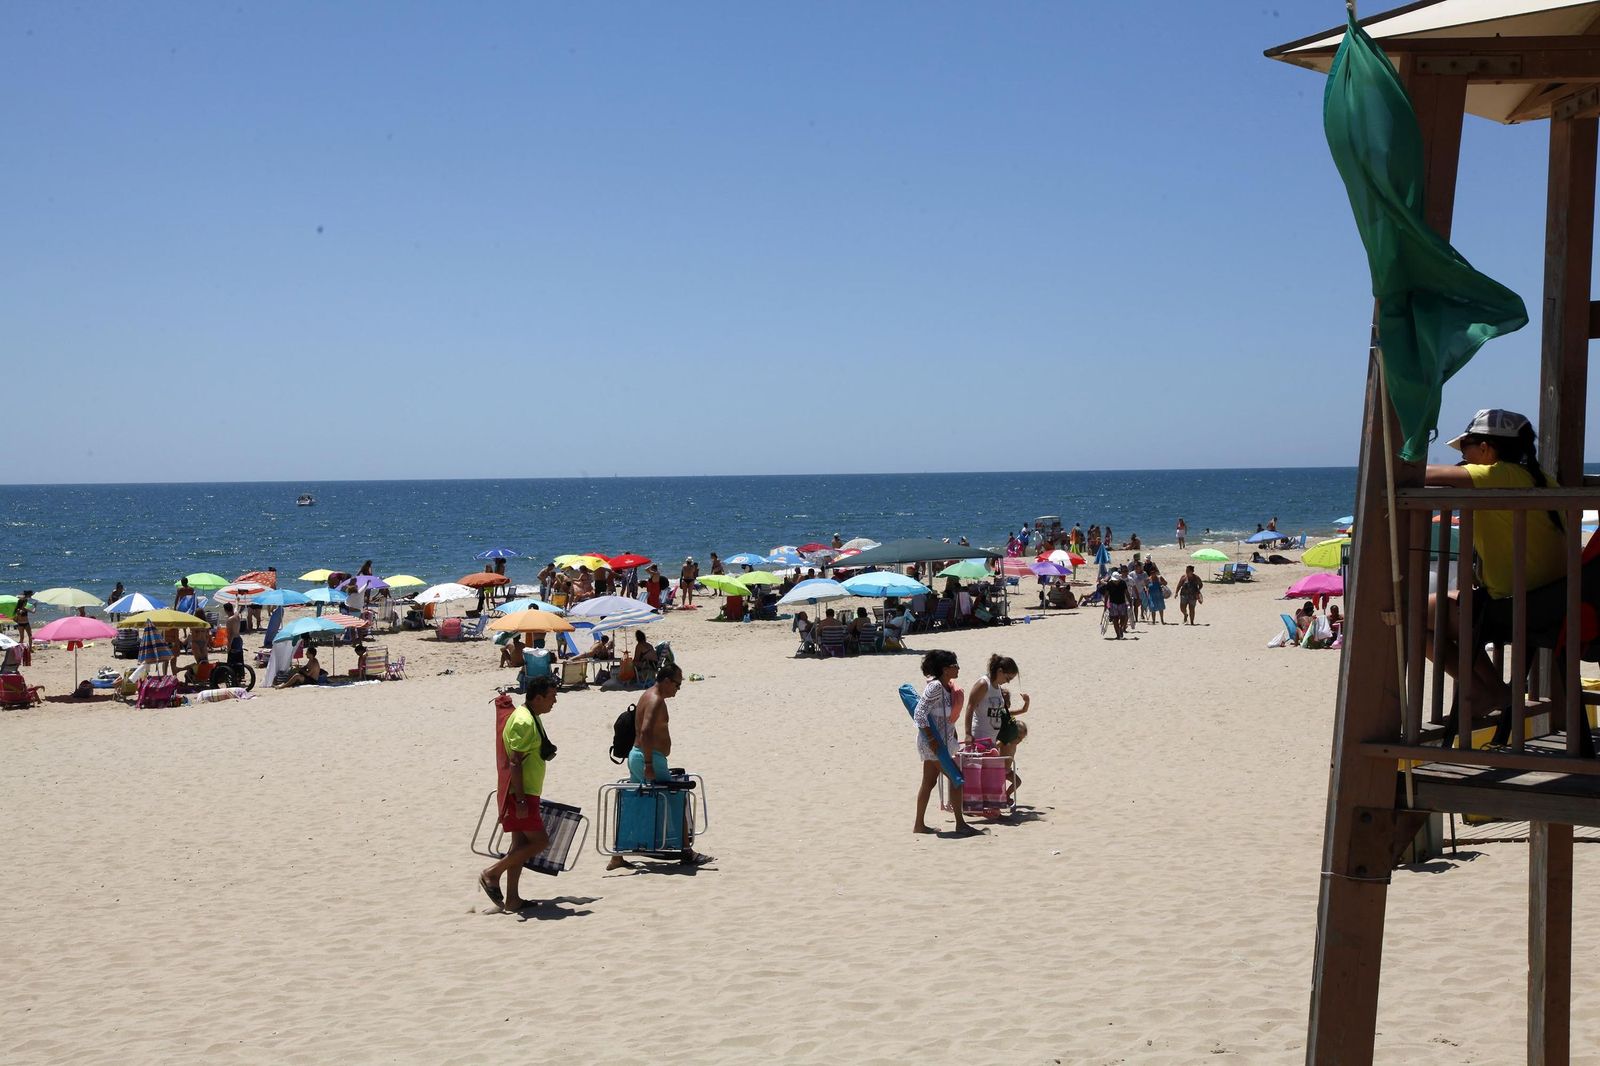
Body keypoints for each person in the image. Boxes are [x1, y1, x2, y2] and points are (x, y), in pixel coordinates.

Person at [1424, 409, 1570, 744]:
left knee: (1412, 613)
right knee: (1441, 611)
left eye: (1466, 451)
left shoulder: (1498, 474)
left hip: (1517, 608)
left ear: (1487, 450)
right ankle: (1491, 691)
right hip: (1556, 605)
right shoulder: (1541, 478)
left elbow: (1425, 475)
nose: (1462, 460)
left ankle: (1491, 691)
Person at [610, 663, 712, 867]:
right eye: (677, 684)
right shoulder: (656, 700)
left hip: (638, 755)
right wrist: (649, 764)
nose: (678, 689)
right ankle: (686, 852)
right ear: (666, 681)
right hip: (649, 758)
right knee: (677, 799)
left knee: (637, 803)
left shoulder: (647, 694)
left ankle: (617, 855)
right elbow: (646, 731)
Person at [480, 678, 558, 911]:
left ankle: (512, 899)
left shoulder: (531, 716)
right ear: (538, 697)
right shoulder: (524, 721)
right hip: (521, 793)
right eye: (552, 696)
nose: (555, 701)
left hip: (526, 791)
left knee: (519, 846)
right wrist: (522, 799)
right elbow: (515, 762)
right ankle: (491, 873)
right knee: (540, 841)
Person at [913, 650, 974, 835]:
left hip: (939, 744)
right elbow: (919, 713)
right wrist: (931, 739)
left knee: (928, 783)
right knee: (957, 779)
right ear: (945, 669)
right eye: (954, 665)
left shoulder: (946, 687)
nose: (958, 668)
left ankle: (919, 825)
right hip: (933, 745)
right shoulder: (936, 687)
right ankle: (960, 824)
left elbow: (943, 717)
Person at [965, 654, 1029, 800]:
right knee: (981, 774)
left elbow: (1000, 713)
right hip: (980, 735)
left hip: (991, 738)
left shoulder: (997, 688)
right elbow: (970, 707)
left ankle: (989, 805)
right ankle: (977, 805)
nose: (1008, 682)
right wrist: (968, 733)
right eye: (1008, 678)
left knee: (989, 775)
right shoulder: (983, 684)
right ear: (1000, 671)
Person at [1103, 570, 1130, 639]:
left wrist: (1130, 601)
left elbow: (1126, 593)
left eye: (1117, 580)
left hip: (1122, 603)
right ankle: (1118, 634)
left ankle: (1121, 628)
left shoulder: (1123, 583)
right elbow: (1106, 595)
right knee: (1115, 619)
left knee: (1123, 617)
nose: (1116, 582)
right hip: (1113, 603)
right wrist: (1106, 605)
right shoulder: (1109, 584)